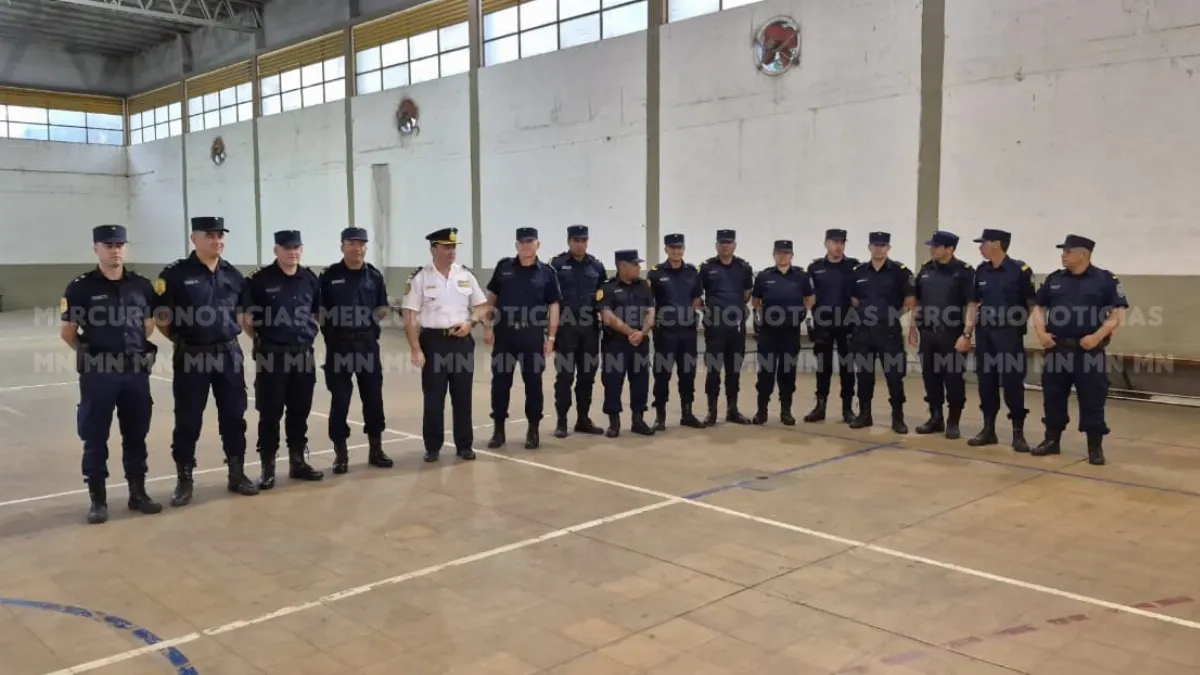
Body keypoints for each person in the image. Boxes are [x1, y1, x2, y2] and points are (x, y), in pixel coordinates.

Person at [60, 224, 163, 524]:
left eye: (119, 244)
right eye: (108, 244)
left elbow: (147, 325)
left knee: (136, 434)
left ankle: (138, 493)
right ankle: (98, 500)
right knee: (95, 436)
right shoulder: (80, 287)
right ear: (96, 249)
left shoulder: (141, 286)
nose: (115, 249)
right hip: (99, 375)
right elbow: (68, 333)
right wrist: (91, 354)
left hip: (135, 372)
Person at [153, 216, 260, 505]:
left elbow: (243, 315)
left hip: (228, 354)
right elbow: (162, 318)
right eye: (210, 235)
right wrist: (180, 340)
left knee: (234, 416)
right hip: (192, 355)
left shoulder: (234, 275)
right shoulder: (174, 274)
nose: (217, 241)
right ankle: (184, 480)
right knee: (188, 419)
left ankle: (237, 473)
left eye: (220, 235)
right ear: (194, 239)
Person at [1031, 234, 1127, 466]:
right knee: (1053, 397)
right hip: (1057, 349)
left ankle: (1095, 446)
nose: (1063, 255)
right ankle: (1052, 440)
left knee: (1093, 399)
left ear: (1083, 253)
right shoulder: (1055, 279)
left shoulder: (1105, 279)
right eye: (1063, 251)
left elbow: (1118, 314)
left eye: (1068, 251)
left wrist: (1097, 336)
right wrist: (1041, 334)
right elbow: (1037, 307)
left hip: (1088, 352)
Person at [241, 230, 325, 489]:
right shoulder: (260, 280)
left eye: (297, 247)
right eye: (287, 248)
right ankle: (268, 468)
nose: (293, 252)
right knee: (270, 412)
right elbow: (246, 319)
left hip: (302, 354)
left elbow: (318, 313)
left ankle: (297, 461)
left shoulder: (310, 278)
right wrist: (268, 339)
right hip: (272, 356)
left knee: (300, 410)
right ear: (276, 250)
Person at [400, 227, 487, 462]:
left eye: (453, 247)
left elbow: (482, 306)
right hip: (433, 342)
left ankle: (464, 445)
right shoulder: (421, 278)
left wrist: (472, 322)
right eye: (446, 247)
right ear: (433, 249)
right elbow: (410, 315)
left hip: (461, 342)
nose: (451, 252)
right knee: (434, 398)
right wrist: (416, 349)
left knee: (462, 397)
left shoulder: (465, 275)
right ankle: (433, 446)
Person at [319, 227, 394, 474]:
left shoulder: (374, 276)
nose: (357, 248)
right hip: (339, 346)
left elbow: (383, 307)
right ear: (342, 246)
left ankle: (376, 449)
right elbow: (319, 312)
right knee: (340, 400)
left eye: (362, 243)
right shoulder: (329, 276)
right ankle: (340, 454)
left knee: (373, 398)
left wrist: (370, 319)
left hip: (367, 346)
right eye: (352, 243)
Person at [484, 227, 561, 449]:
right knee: (500, 383)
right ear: (516, 245)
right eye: (522, 242)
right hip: (505, 334)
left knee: (533, 384)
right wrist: (487, 327)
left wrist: (552, 337)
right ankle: (498, 430)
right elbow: (492, 299)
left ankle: (533, 430)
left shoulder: (547, 272)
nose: (526, 246)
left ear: (538, 244)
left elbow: (554, 306)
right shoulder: (504, 267)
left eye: (530, 242)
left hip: (532, 335)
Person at [969, 228, 1036, 451]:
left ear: (997, 244)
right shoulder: (981, 271)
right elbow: (974, 302)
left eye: (984, 243)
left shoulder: (1020, 270)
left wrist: (1024, 324)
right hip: (985, 334)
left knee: (1012, 383)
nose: (980, 247)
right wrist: (967, 332)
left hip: (1009, 335)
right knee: (985, 381)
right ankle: (988, 429)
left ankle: (1018, 432)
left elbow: (1031, 303)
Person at [910, 230, 976, 439]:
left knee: (954, 380)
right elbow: (917, 301)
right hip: (928, 334)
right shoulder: (926, 270)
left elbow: (972, 305)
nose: (932, 249)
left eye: (936, 246)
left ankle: (953, 421)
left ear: (950, 249)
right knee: (931, 378)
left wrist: (966, 334)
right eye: (932, 246)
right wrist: (912, 327)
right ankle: (935, 418)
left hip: (952, 335)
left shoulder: (964, 272)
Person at [847, 231, 915, 433]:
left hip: (889, 332)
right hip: (863, 332)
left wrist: (890, 315)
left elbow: (909, 301)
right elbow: (853, 299)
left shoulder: (900, 272)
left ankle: (898, 417)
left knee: (894, 376)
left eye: (883, 245)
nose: (879, 249)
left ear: (889, 248)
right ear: (869, 247)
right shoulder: (858, 272)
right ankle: (865, 414)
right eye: (875, 245)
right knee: (864, 375)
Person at [549, 225, 607, 437]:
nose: (580, 244)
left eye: (583, 240)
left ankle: (583, 419)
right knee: (564, 376)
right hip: (566, 330)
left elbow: (603, 296)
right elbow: (550, 297)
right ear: (569, 241)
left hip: (590, 329)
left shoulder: (597, 266)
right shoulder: (557, 264)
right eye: (576, 240)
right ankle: (562, 421)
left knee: (587, 376)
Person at [750, 240, 815, 425]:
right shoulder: (764, 276)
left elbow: (810, 299)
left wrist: (799, 313)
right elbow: (756, 301)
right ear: (774, 254)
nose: (783, 256)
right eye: (779, 253)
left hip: (790, 332)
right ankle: (761, 411)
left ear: (791, 255)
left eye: (786, 253)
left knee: (787, 372)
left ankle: (786, 411)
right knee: (766, 373)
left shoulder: (801, 276)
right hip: (768, 332)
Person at [647, 233, 704, 430]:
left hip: (687, 332)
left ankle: (687, 414)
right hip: (665, 333)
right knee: (662, 374)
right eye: (672, 248)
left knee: (687, 374)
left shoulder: (692, 273)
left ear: (684, 249)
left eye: (679, 248)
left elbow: (696, 299)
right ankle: (660, 417)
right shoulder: (655, 273)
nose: (676, 251)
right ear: (666, 250)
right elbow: (649, 303)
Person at [698, 229, 755, 426]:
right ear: (716, 245)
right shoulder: (706, 268)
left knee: (734, 371)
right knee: (713, 370)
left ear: (734, 245)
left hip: (736, 328)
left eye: (728, 242)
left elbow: (747, 294)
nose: (725, 245)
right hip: (715, 328)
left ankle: (733, 410)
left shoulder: (744, 268)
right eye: (722, 242)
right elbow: (698, 296)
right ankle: (712, 412)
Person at [598, 249, 656, 437]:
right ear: (622, 266)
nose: (639, 267)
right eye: (635, 264)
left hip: (640, 342)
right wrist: (631, 332)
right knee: (613, 381)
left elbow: (651, 311)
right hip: (616, 343)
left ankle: (638, 420)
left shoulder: (644, 286)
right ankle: (614, 423)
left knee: (640, 381)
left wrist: (643, 332)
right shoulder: (607, 288)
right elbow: (607, 316)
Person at [804, 228, 859, 423]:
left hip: (848, 324)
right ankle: (820, 407)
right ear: (826, 243)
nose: (838, 246)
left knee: (847, 367)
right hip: (823, 324)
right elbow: (808, 296)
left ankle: (847, 409)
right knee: (823, 367)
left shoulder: (854, 267)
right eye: (834, 242)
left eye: (841, 242)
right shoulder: (815, 268)